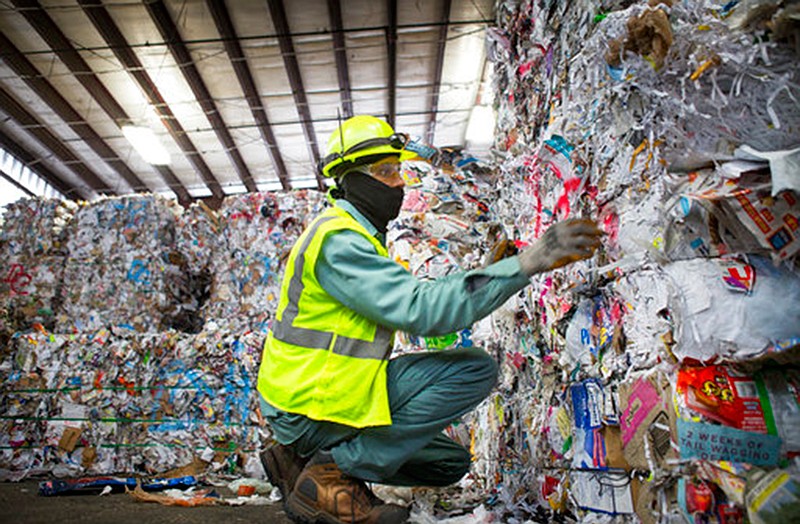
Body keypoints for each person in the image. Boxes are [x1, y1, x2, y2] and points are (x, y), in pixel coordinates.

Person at [256, 115, 604, 524]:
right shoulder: (337, 240)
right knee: (474, 370)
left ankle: (297, 460)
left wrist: (486, 274)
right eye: (385, 172)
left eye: (398, 169)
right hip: (311, 404)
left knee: (448, 463)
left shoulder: (358, 236)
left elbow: (414, 297)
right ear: (349, 180)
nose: (399, 182)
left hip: (333, 396)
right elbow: (422, 310)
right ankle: (331, 476)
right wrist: (528, 263)